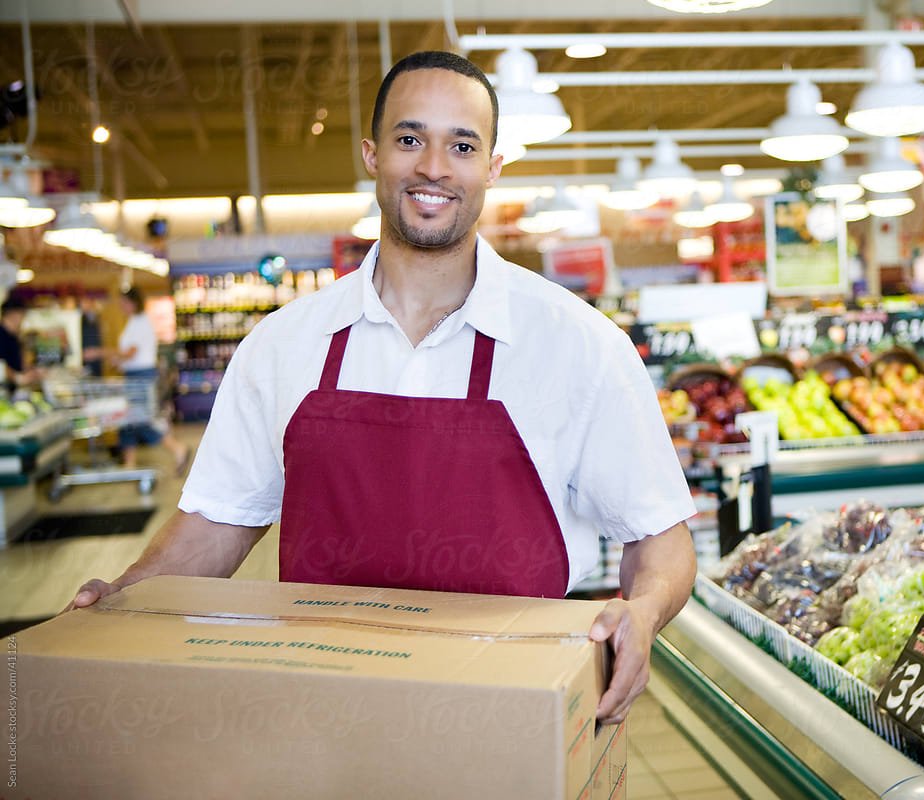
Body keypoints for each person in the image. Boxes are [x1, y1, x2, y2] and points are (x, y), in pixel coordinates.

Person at [68, 51, 697, 725]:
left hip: (517, 715)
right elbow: (222, 519)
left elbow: (661, 536)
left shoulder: (578, 344)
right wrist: (124, 596)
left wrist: (644, 609)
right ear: (372, 155)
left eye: (461, 145)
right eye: (409, 139)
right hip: (322, 712)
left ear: (492, 167)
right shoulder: (283, 346)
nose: (433, 166)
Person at [112, 287, 191, 474]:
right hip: (134, 376)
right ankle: (129, 463)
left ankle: (178, 449)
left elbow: (131, 352)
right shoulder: (133, 322)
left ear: (132, 302)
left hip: (141, 377)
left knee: (142, 419)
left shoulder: (140, 323)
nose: (120, 306)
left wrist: (102, 353)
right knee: (129, 420)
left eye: (123, 302)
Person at [0, 295, 38, 393]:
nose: (23, 320)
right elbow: (2, 365)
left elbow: (16, 361)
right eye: (22, 315)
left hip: (12, 390)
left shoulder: (13, 336)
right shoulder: (2, 334)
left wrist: (30, 370)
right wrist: (19, 378)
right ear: (14, 314)